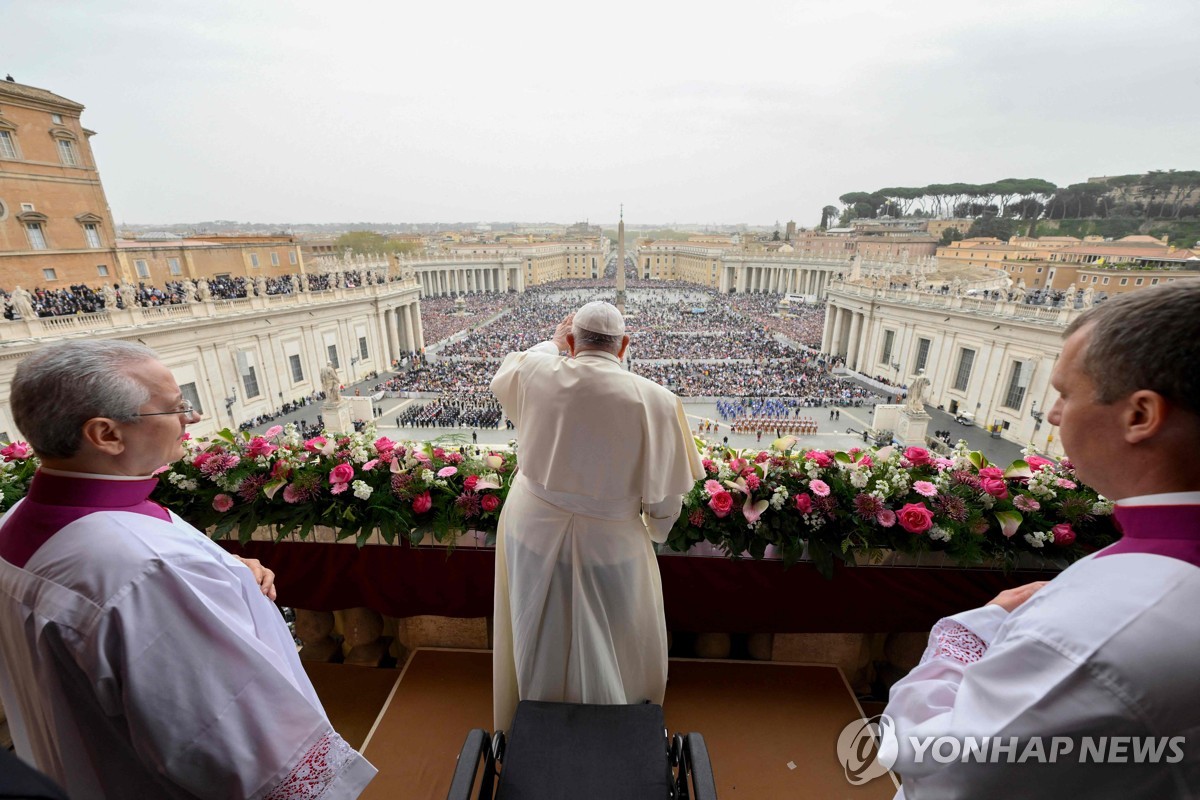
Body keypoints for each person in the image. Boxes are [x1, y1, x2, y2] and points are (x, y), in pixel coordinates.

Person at [0, 340, 376, 798]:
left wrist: (223, 571)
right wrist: (191, 580)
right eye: (175, 408)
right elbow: (232, 740)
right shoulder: (148, 571)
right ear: (106, 434)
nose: (191, 419)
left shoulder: (18, 521)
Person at [880, 283, 1200, 797]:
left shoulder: (1102, 628)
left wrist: (972, 632)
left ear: (1140, 416)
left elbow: (928, 759)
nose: (1052, 414)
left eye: (1066, 394)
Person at [489, 301, 703, 731]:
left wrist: (553, 346)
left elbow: (507, 373)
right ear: (624, 346)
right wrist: (656, 532)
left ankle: (535, 719)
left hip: (531, 528)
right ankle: (614, 728)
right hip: (612, 540)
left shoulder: (536, 370)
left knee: (538, 630)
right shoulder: (657, 400)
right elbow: (665, 500)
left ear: (570, 341)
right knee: (615, 639)